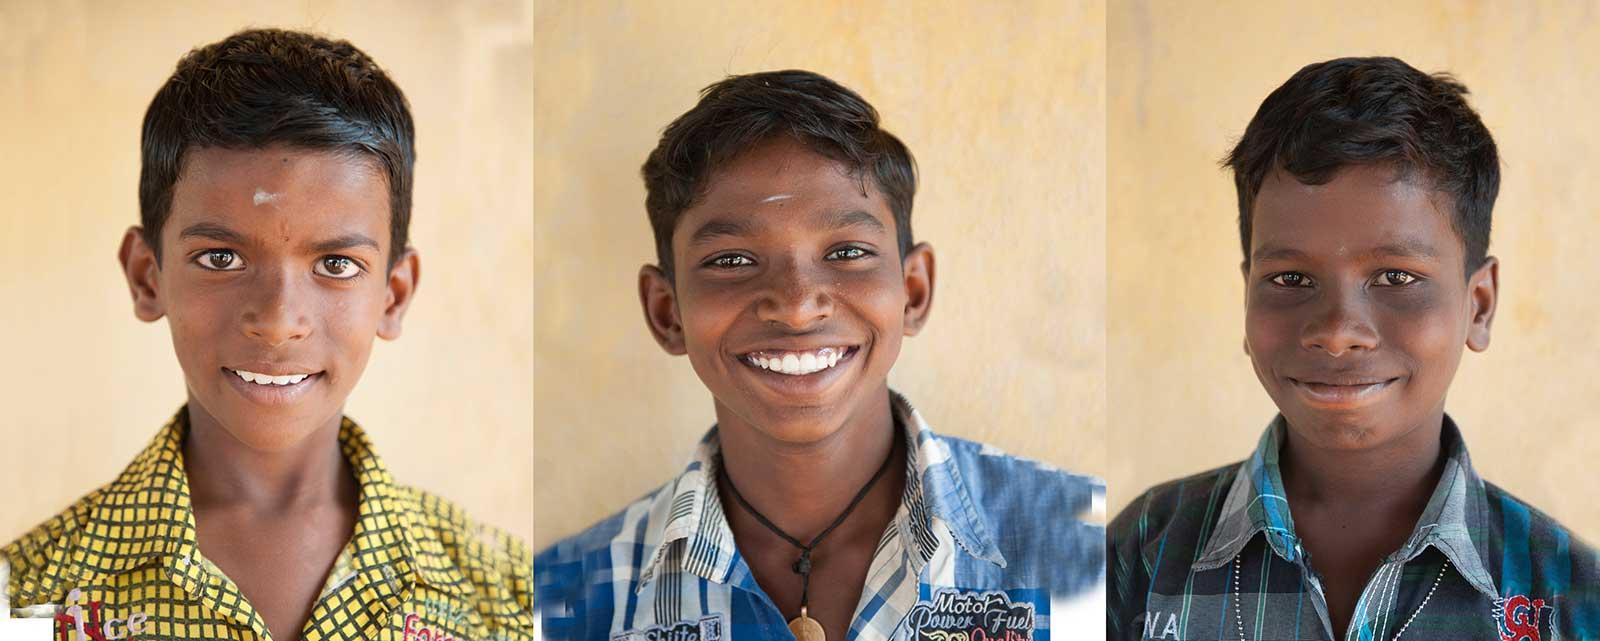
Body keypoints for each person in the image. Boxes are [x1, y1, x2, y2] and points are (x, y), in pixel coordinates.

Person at [534, 70, 1105, 641]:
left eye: (848, 251)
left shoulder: (1094, 550)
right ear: (667, 312)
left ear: (913, 291)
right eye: (731, 260)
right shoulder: (558, 604)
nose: (798, 306)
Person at [1, 28, 532, 641]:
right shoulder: (31, 602)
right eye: (221, 258)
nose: (279, 321)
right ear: (148, 278)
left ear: (394, 293)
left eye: (336, 265)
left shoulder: (506, 599)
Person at [1107, 56, 1599, 641]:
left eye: (1396, 277)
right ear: (1247, 296)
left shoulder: (1568, 597)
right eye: (1291, 279)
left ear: (1480, 304)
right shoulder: (1140, 555)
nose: (1338, 330)